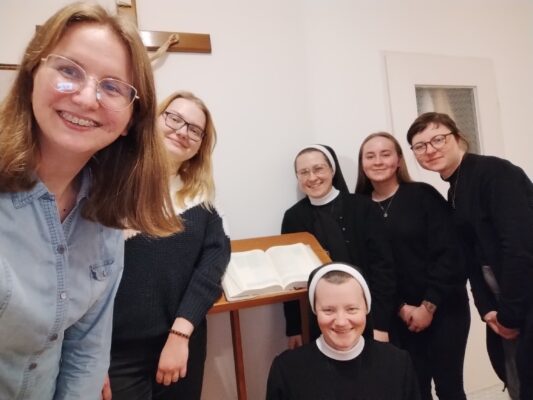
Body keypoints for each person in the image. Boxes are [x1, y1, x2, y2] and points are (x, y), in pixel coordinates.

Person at [0, 3, 181, 400]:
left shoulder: (106, 215)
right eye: (69, 71)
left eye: (113, 87)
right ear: (32, 75)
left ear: (131, 120)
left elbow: (87, 350)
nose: (86, 98)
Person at [107, 91, 230, 400]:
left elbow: (211, 268)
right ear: (155, 119)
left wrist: (179, 334)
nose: (182, 131)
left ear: (200, 145)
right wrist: (88, 354)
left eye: (195, 129)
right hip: (115, 352)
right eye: (174, 118)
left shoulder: (201, 200)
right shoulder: (111, 180)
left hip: (181, 344)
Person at [406, 112, 533, 400]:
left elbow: (519, 247)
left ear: (458, 137)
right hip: (505, 305)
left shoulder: (495, 173)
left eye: (438, 139)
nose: (430, 149)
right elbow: (471, 256)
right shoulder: (455, 188)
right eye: (420, 146)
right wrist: (486, 308)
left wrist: (510, 314)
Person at [355, 132, 470, 400]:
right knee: (413, 391)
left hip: (444, 308)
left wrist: (428, 306)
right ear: (362, 164)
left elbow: (450, 253)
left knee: (449, 388)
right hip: (397, 316)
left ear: (398, 160)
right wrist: (401, 307)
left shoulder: (422, 195)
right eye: (370, 156)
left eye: (385, 154)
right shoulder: (357, 207)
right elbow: (369, 268)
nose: (378, 161)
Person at [281, 145, 395, 348]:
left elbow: (383, 268)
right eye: (303, 172)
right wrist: (295, 328)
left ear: (332, 170)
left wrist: (380, 323)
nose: (312, 177)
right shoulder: (293, 218)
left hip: (367, 315)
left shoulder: (363, 208)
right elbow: (290, 277)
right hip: (318, 320)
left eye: (318, 169)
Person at [266, 262, 420, 400]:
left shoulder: (398, 364)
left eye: (351, 309)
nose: (341, 322)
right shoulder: (287, 371)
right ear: (315, 311)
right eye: (328, 310)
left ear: (366, 308)